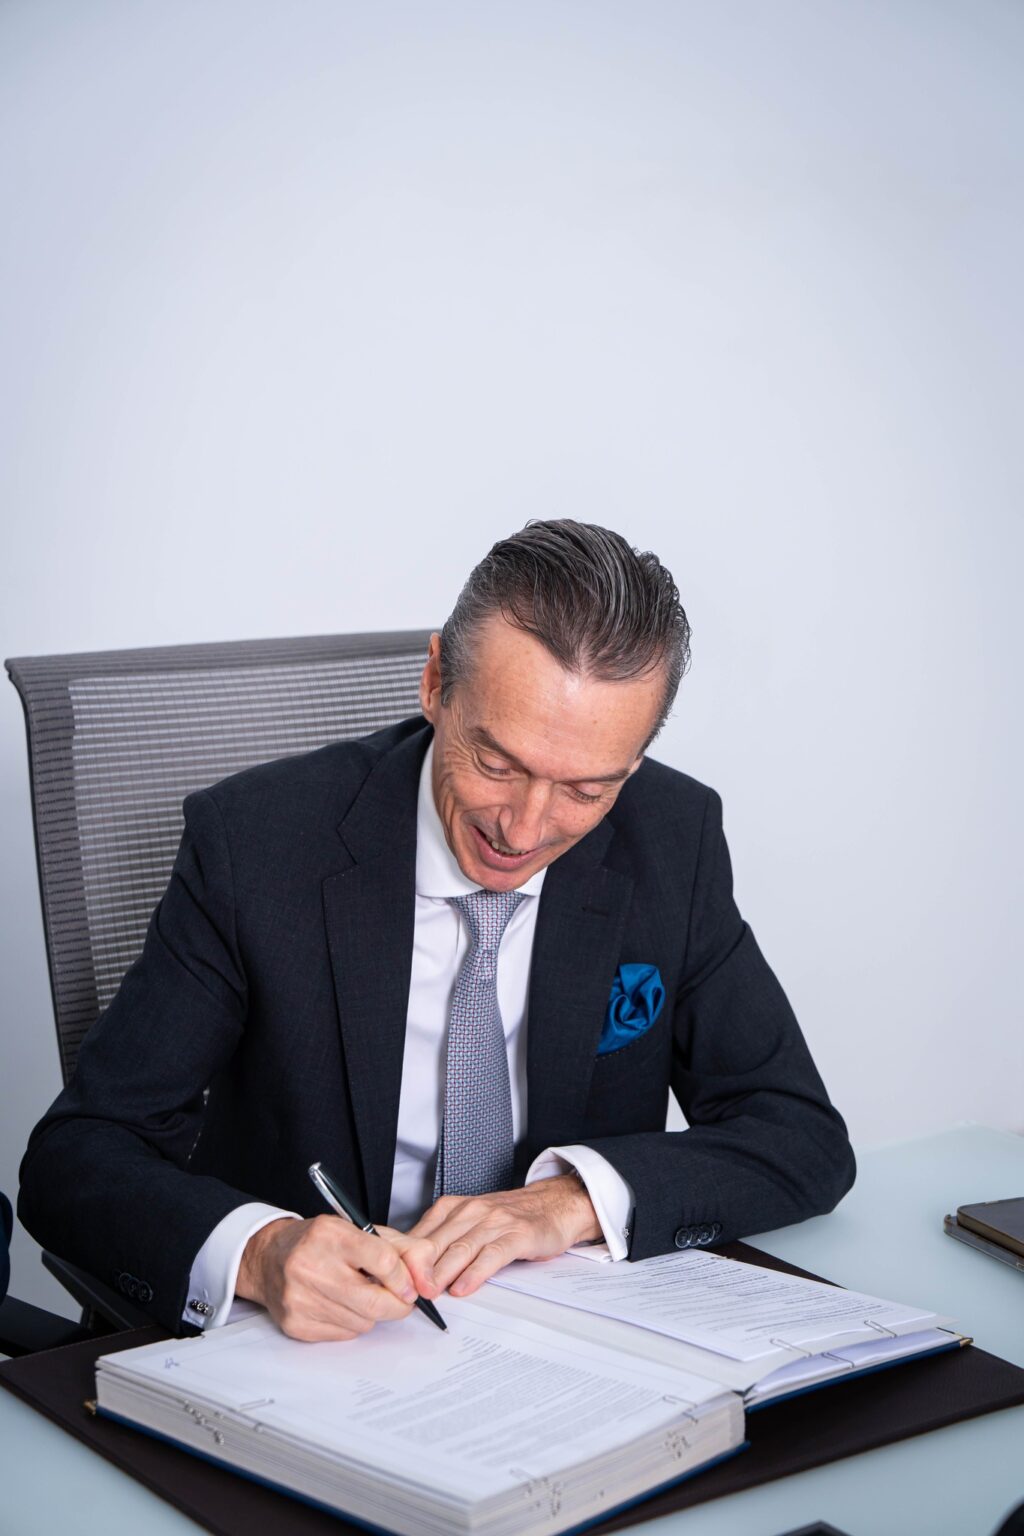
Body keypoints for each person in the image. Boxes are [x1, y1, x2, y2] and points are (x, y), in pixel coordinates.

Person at [19, 520, 855, 1341]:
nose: (525, 829)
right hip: (319, 1351)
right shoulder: (254, 846)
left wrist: (569, 1201)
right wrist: (264, 1254)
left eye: (586, 790)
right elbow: (76, 1156)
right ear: (433, 686)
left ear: (632, 763)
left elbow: (801, 1136)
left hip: (564, 1341)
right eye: (496, 763)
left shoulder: (674, 839)